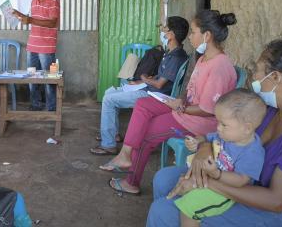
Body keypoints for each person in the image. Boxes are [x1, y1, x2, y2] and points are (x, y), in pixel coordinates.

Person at [147, 40, 282, 226]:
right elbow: (224, 136)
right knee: (164, 179)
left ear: (276, 77)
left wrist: (206, 183)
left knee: (163, 211)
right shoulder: (268, 111)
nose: (255, 76)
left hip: (281, 213)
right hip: (236, 179)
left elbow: (276, 201)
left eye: (259, 69)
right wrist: (204, 148)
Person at [102, 10, 238, 195]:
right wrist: (181, 99)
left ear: (206, 35)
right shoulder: (203, 59)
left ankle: (131, 182)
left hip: (198, 122)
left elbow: (208, 110)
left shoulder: (220, 66)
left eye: (193, 32)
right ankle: (125, 154)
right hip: (185, 110)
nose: (190, 37)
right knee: (143, 104)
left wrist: (182, 107)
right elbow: (190, 91)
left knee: (145, 136)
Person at [90, 16, 189, 155]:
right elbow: (160, 77)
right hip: (148, 89)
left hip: (154, 96)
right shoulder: (170, 53)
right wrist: (140, 82)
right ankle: (113, 134)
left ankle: (108, 145)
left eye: (165, 29)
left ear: (171, 35)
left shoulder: (176, 57)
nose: (162, 30)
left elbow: (160, 84)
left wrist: (144, 78)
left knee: (108, 100)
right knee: (109, 93)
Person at [176, 89, 266, 226]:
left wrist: (216, 174)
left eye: (224, 124)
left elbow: (241, 180)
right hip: (211, 178)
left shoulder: (252, 152)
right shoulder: (224, 135)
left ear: (247, 128)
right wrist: (196, 142)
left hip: (227, 192)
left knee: (188, 206)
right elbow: (204, 138)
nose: (218, 128)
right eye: (218, 122)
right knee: (181, 185)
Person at [13, 0, 60, 111]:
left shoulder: (53, 2)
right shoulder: (34, 1)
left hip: (46, 47)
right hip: (32, 46)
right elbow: (31, 20)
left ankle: (51, 107)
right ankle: (36, 104)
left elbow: (52, 23)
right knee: (32, 77)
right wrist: (18, 14)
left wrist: (31, 20)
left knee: (49, 79)